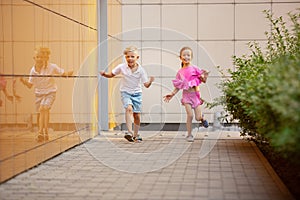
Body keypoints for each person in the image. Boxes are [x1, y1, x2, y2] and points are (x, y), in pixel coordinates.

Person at [100, 46, 154, 142]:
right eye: (127, 57)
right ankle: (129, 132)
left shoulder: (141, 70)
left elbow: (146, 85)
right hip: (125, 92)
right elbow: (111, 74)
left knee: (136, 115)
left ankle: (136, 135)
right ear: (125, 58)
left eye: (132, 56)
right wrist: (104, 74)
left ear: (137, 58)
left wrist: (150, 81)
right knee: (128, 109)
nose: (130, 58)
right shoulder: (122, 67)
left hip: (137, 94)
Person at [20, 46, 73, 142]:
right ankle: (45, 133)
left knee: (44, 108)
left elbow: (62, 73)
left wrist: (69, 74)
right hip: (39, 94)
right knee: (42, 111)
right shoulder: (33, 70)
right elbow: (30, 85)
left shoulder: (52, 67)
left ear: (46, 58)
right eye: (38, 57)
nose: (40, 59)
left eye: (42, 57)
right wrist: (23, 81)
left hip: (50, 92)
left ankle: (41, 132)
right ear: (34, 58)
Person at [163, 46, 209, 142]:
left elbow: (203, 80)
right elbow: (178, 86)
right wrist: (172, 94)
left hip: (195, 96)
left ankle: (202, 118)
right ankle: (189, 134)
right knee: (190, 115)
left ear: (191, 57)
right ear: (180, 57)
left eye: (188, 55)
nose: (186, 57)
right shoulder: (180, 72)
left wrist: (205, 76)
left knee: (197, 117)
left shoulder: (195, 68)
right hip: (186, 96)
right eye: (184, 55)